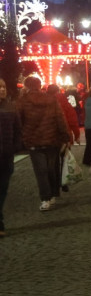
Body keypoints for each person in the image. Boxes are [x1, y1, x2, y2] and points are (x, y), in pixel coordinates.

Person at [16, 76, 72, 211]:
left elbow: (18, 122)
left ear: (26, 86)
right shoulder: (51, 99)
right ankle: (53, 194)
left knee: (40, 171)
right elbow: (60, 118)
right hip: (52, 139)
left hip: (33, 140)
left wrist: (22, 138)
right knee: (51, 168)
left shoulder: (22, 102)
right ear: (40, 85)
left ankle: (45, 198)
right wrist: (66, 136)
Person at [0, 80, 23, 236]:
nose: (2, 90)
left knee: (2, 189)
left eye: (3, 87)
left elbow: (18, 129)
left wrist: (15, 147)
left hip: (6, 155)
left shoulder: (10, 107)